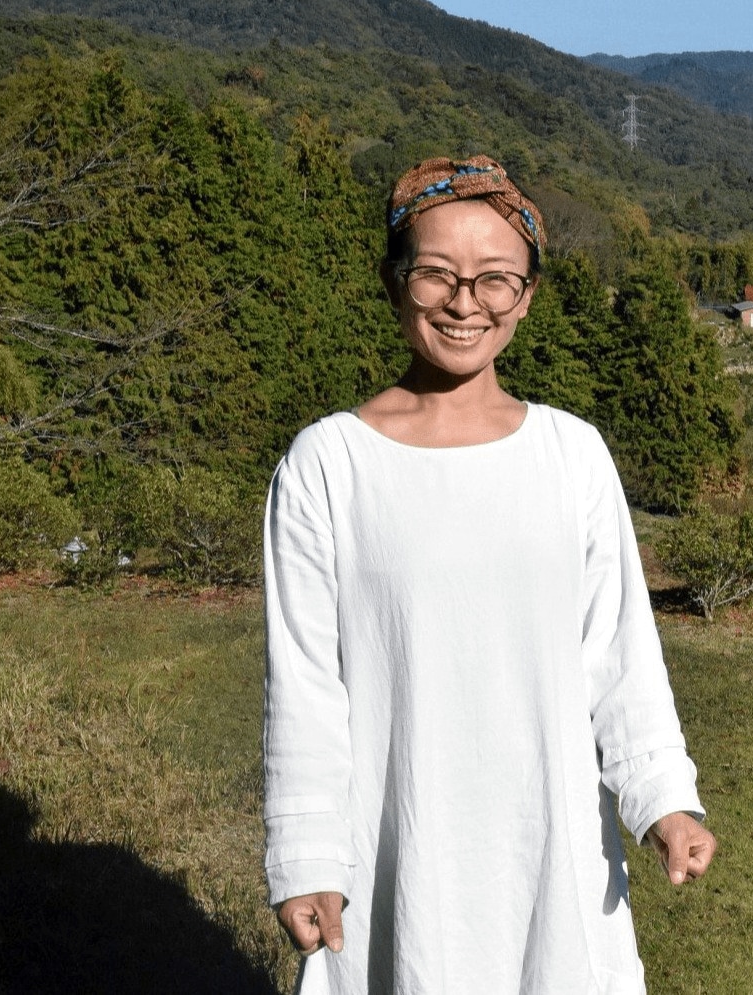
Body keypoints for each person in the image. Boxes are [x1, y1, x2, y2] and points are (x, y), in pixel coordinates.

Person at [262, 155, 716, 993]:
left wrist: (663, 797)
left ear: (528, 293)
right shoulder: (328, 464)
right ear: (394, 281)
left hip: (551, 844)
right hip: (398, 843)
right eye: (436, 274)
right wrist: (305, 849)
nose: (466, 302)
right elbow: (305, 687)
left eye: (495, 279)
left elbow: (619, 654)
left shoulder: (571, 455)